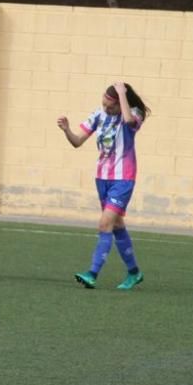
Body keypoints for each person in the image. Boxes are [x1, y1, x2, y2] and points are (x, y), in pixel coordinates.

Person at [58, 81, 149, 290]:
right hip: (102, 178)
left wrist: (122, 93)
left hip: (123, 178)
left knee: (104, 224)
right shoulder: (98, 115)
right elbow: (77, 141)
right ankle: (134, 273)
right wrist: (67, 130)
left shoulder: (134, 113)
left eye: (111, 106)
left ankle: (92, 273)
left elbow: (127, 120)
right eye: (105, 105)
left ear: (120, 103)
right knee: (116, 226)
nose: (107, 109)